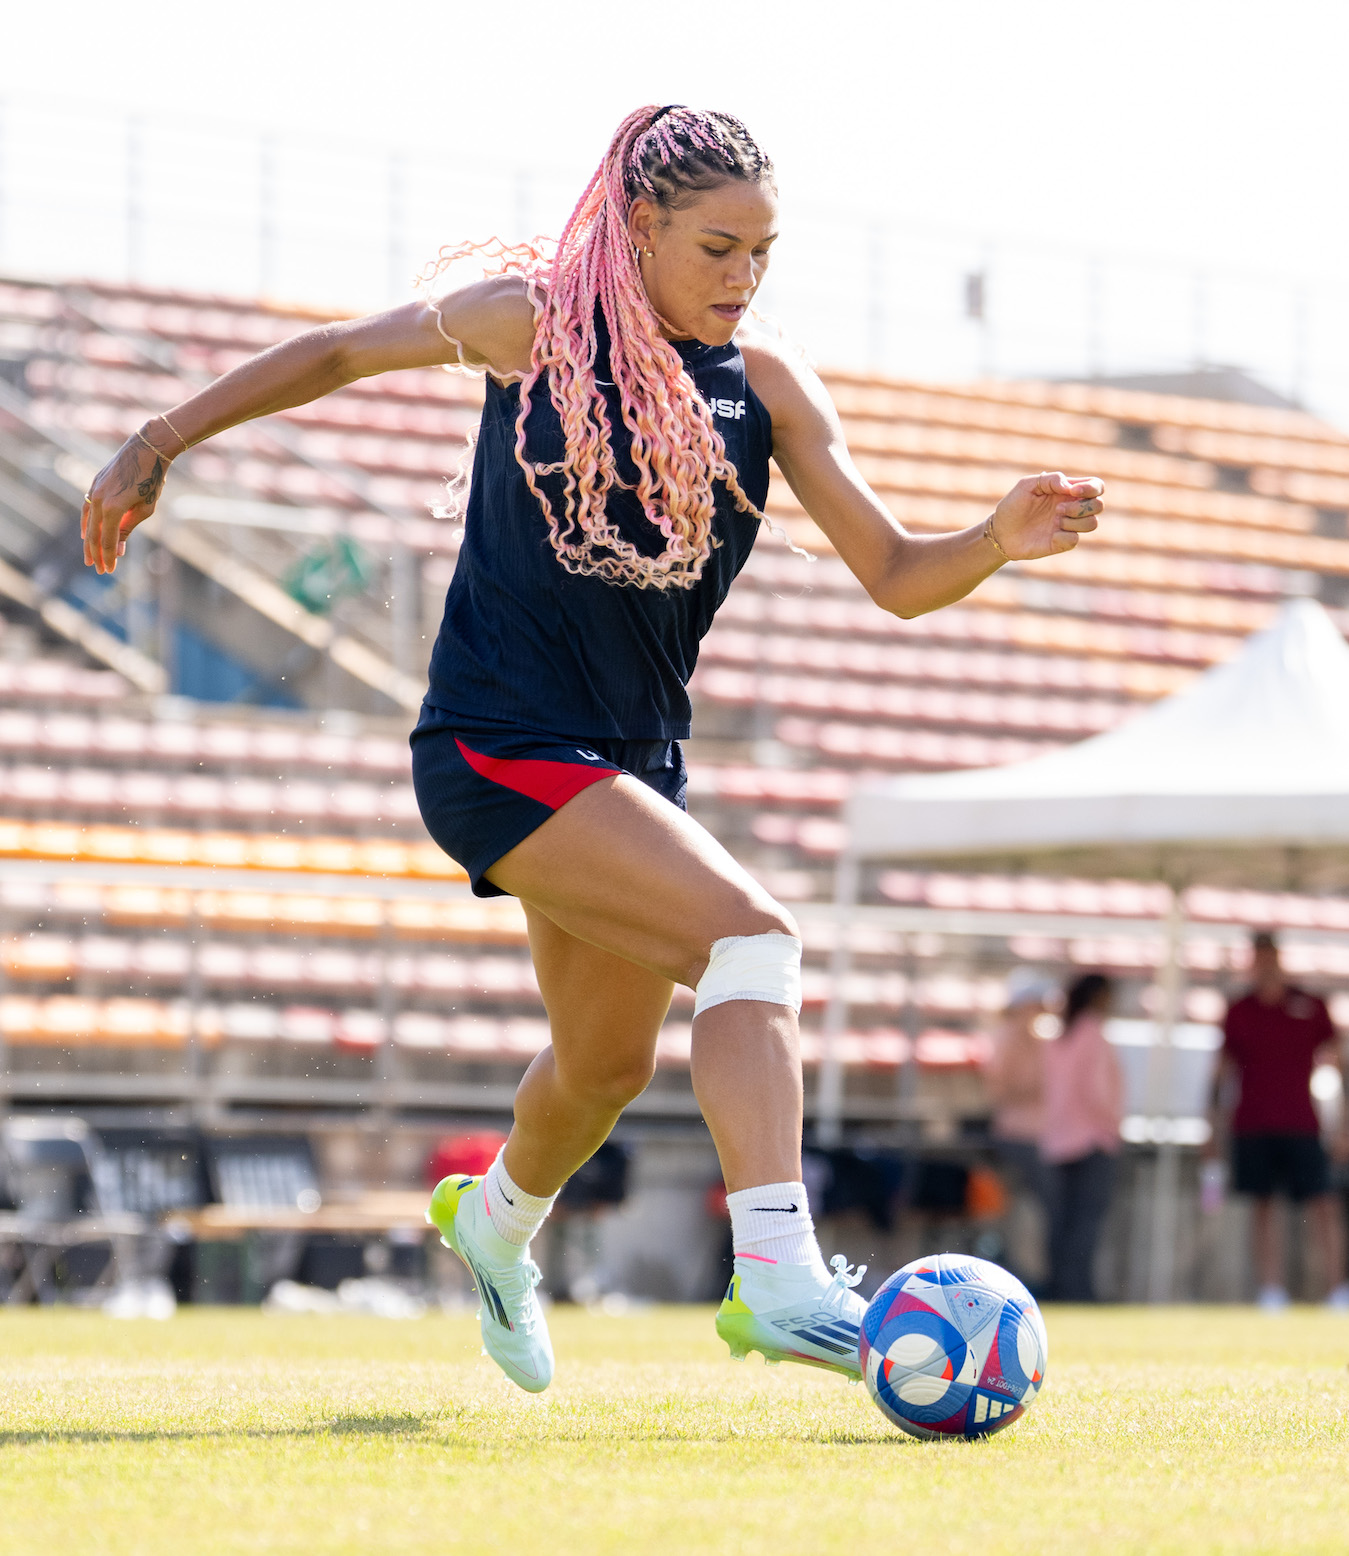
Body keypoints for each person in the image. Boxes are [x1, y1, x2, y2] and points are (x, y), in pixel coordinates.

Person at [80, 105, 1105, 1393]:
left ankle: (494, 1221)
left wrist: (997, 536)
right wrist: (156, 439)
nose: (742, 278)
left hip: (628, 766)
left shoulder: (769, 386)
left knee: (606, 1064)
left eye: (762, 255)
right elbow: (339, 354)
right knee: (754, 936)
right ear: (639, 226)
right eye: (717, 247)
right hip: (496, 740)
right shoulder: (532, 320)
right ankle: (777, 1277)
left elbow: (896, 574)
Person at [1207, 930, 1349, 1312]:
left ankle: (1338, 1290)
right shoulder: (1239, 1011)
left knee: (1323, 1204)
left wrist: (1345, 1123)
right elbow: (1221, 1073)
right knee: (1263, 1205)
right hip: (1252, 1124)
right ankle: (1271, 1291)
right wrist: (1211, 1125)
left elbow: (1339, 1064)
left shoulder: (1309, 1005)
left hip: (1302, 1123)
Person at [1039, 973, 1124, 1302]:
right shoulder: (1092, 1033)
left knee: (1061, 1223)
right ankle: (1078, 1292)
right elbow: (1096, 1091)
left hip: (1059, 1141)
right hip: (1092, 1140)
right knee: (1085, 1224)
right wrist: (1112, 1123)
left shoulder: (1061, 1035)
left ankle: (1061, 1287)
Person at [987, 969, 1055, 1280]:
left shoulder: (1039, 1039)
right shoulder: (1008, 1039)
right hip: (1018, 1137)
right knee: (1029, 1211)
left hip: (1041, 1138)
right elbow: (1002, 1090)